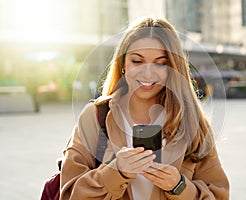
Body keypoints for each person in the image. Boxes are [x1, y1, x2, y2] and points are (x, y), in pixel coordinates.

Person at [60, 16, 229, 200]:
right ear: (123, 64)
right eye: (137, 61)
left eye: (160, 63)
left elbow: (218, 195)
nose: (147, 73)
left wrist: (178, 186)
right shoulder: (94, 117)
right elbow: (69, 195)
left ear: (173, 67)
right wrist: (115, 172)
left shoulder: (192, 121)